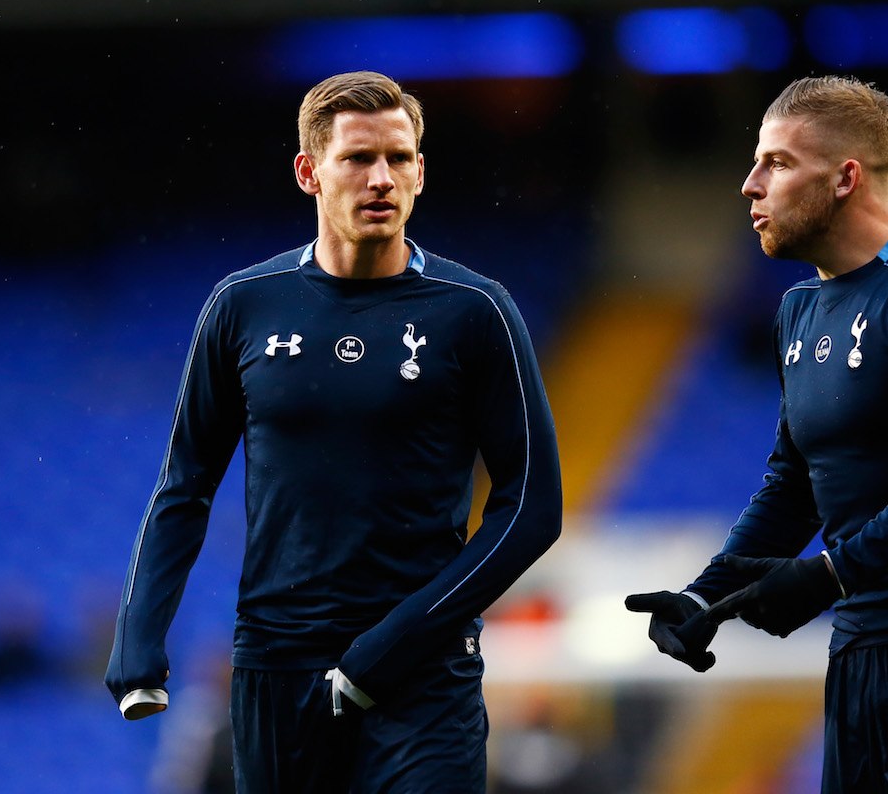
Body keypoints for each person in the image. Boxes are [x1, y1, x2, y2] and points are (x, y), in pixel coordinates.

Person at [106, 70, 563, 793]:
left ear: (420, 172)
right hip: (276, 667)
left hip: (423, 672)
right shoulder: (241, 306)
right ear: (309, 172)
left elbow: (532, 505)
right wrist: (139, 638)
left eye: (399, 158)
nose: (381, 178)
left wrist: (401, 638)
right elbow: (185, 485)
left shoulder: (476, 311)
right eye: (357, 158)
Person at [626, 75, 888, 794]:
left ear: (845, 178)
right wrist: (706, 596)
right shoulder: (798, 312)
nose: (749, 185)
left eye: (776, 163)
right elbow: (794, 485)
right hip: (862, 656)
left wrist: (830, 574)